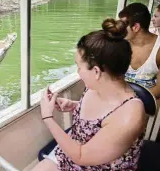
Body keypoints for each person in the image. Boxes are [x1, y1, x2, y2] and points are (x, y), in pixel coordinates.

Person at [31, 18, 146, 171]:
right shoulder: (95, 87)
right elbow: (100, 120)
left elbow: (82, 156)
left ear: (96, 71)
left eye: (79, 67)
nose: (77, 72)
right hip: (71, 152)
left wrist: (48, 117)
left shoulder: (130, 115)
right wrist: (75, 106)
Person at [118, 3, 160, 99]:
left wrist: (132, 100)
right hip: (121, 97)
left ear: (136, 27)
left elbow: (159, 88)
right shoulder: (120, 45)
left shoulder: (158, 50)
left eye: (123, 25)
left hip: (147, 101)